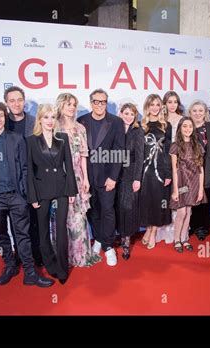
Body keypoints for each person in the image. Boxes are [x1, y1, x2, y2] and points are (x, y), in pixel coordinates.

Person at [0, 101, 54, 287]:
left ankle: (30, 272)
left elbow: (26, 168)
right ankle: (9, 266)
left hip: (17, 197)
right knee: (2, 236)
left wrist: (26, 194)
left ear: (5, 116)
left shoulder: (17, 139)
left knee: (23, 236)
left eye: (1, 115)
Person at [27, 104, 78, 284]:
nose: (50, 121)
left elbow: (69, 166)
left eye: (52, 117)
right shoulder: (31, 140)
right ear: (40, 119)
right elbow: (30, 172)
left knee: (61, 231)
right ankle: (51, 265)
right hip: (41, 190)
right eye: (46, 117)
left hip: (62, 187)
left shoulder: (62, 138)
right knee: (43, 232)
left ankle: (63, 270)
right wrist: (32, 196)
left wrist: (71, 190)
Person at [77, 89, 125, 266]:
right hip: (87, 177)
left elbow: (120, 150)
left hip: (107, 177)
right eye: (96, 101)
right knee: (93, 211)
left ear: (106, 103)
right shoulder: (81, 121)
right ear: (91, 103)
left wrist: (113, 177)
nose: (99, 105)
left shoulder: (116, 122)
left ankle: (109, 245)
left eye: (103, 102)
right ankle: (97, 238)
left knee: (108, 211)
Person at [55, 93, 101, 267]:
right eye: (68, 104)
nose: (72, 107)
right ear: (61, 105)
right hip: (59, 177)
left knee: (78, 217)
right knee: (60, 218)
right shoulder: (54, 127)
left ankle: (79, 256)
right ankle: (62, 258)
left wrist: (86, 179)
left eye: (74, 104)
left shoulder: (80, 128)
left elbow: (83, 156)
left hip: (77, 177)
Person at [3, 86, 43, 267]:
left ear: (24, 101)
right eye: (12, 100)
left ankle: (37, 254)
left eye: (19, 99)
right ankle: (20, 255)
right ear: (6, 103)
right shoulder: (0, 123)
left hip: (33, 179)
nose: (16, 103)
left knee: (35, 221)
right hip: (11, 182)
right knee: (16, 223)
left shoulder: (35, 122)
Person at [140, 94, 172, 249]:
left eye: (157, 104)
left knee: (159, 202)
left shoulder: (166, 126)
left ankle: (153, 232)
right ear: (147, 106)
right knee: (147, 202)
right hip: (145, 171)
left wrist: (168, 173)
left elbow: (169, 152)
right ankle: (147, 229)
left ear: (161, 107)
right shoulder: (141, 126)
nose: (154, 107)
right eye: (151, 104)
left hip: (160, 169)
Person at [169, 117, 205, 252]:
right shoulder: (175, 146)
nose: (188, 129)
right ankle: (176, 239)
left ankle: (184, 238)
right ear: (180, 128)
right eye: (185, 126)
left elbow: (201, 169)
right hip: (182, 182)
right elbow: (174, 169)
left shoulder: (198, 146)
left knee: (189, 211)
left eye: (190, 126)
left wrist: (201, 189)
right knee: (181, 211)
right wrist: (175, 190)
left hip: (194, 182)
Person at [188, 100, 210, 241]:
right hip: (190, 170)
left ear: (205, 112)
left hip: (207, 169)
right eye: (194, 110)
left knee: (205, 198)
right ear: (190, 112)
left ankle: (203, 227)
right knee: (192, 199)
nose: (197, 113)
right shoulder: (186, 127)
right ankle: (192, 226)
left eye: (200, 110)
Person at [115, 103, 144, 260]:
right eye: (126, 113)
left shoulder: (138, 131)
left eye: (132, 114)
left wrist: (137, 178)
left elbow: (140, 157)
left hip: (131, 173)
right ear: (121, 114)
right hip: (115, 173)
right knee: (117, 207)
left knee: (128, 207)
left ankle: (126, 241)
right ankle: (120, 235)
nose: (128, 116)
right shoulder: (116, 129)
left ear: (135, 116)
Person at [156, 91, 184, 244]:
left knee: (177, 194)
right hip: (161, 162)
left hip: (178, 161)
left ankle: (175, 231)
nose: (172, 105)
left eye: (175, 102)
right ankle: (162, 229)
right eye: (169, 102)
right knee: (164, 195)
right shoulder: (160, 120)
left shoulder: (183, 120)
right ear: (164, 104)